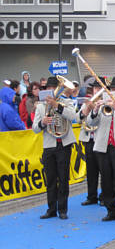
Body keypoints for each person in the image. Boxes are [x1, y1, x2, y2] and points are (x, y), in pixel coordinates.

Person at [32, 76, 77, 220]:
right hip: (49, 145)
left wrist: (57, 105)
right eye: (49, 89)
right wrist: (43, 123)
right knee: (50, 179)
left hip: (63, 144)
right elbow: (35, 129)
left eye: (54, 88)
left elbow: (72, 116)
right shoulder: (40, 106)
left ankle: (62, 210)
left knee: (63, 178)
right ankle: (51, 209)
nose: (52, 91)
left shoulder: (67, 102)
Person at [87, 77, 115, 222]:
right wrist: (95, 110)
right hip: (103, 146)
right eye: (112, 89)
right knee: (106, 180)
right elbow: (90, 123)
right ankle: (110, 210)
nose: (114, 92)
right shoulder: (103, 102)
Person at [77, 80, 102, 206]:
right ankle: (92, 196)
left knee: (104, 170)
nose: (96, 90)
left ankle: (104, 196)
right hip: (89, 139)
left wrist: (95, 108)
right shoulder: (87, 101)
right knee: (91, 170)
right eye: (95, 88)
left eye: (99, 88)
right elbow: (77, 119)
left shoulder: (105, 103)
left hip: (100, 139)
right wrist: (83, 112)